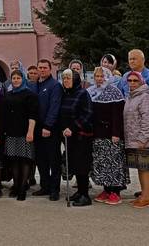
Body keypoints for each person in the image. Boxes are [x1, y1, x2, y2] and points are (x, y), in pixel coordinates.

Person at [118, 49, 149, 203]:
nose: (132, 61)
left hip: (146, 127)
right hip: (132, 129)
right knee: (142, 165)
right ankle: (145, 192)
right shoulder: (124, 77)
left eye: (135, 58)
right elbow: (121, 95)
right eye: (130, 59)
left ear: (143, 60)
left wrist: (144, 135)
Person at [88, 67, 129, 205]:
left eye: (102, 76)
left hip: (111, 134)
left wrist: (116, 133)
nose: (99, 79)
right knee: (102, 163)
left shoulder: (114, 92)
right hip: (98, 134)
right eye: (97, 76)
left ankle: (115, 192)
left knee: (114, 163)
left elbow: (117, 116)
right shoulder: (92, 91)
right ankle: (106, 189)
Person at [0, 68, 38, 201]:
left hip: (24, 132)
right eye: (14, 78)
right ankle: (15, 186)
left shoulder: (29, 95)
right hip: (11, 132)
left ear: (23, 79)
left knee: (25, 160)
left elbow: (33, 115)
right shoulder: (8, 94)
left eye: (18, 78)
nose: (16, 80)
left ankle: (23, 188)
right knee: (14, 160)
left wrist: (30, 131)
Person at [57, 69, 93, 206]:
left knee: (82, 165)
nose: (66, 81)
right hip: (68, 136)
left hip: (81, 136)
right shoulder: (66, 94)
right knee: (75, 165)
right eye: (64, 78)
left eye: (68, 78)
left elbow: (87, 114)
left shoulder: (83, 93)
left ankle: (85, 195)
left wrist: (73, 128)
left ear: (75, 80)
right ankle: (80, 192)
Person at [123, 71, 149, 208]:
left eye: (135, 80)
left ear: (141, 82)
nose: (132, 83)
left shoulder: (145, 97)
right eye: (129, 80)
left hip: (143, 141)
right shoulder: (130, 97)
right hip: (132, 139)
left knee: (145, 169)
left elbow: (147, 120)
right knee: (140, 168)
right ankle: (143, 194)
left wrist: (143, 139)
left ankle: (147, 197)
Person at [32, 58, 63, 201]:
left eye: (45, 67)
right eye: (40, 67)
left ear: (50, 69)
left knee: (53, 160)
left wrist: (48, 125)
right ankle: (45, 186)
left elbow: (54, 107)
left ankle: (54, 189)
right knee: (41, 160)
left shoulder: (54, 85)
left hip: (50, 130)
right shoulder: (35, 85)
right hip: (37, 129)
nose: (42, 70)